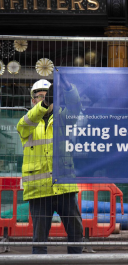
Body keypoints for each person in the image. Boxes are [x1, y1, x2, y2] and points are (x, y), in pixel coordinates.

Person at [17, 78, 83, 254]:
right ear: (33, 101)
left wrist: (69, 87)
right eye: (39, 96)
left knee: (76, 233)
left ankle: (77, 260)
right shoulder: (26, 123)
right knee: (39, 239)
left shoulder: (64, 119)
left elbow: (75, 109)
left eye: (48, 96)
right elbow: (28, 121)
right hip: (39, 191)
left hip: (64, 187)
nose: (44, 99)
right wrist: (46, 104)